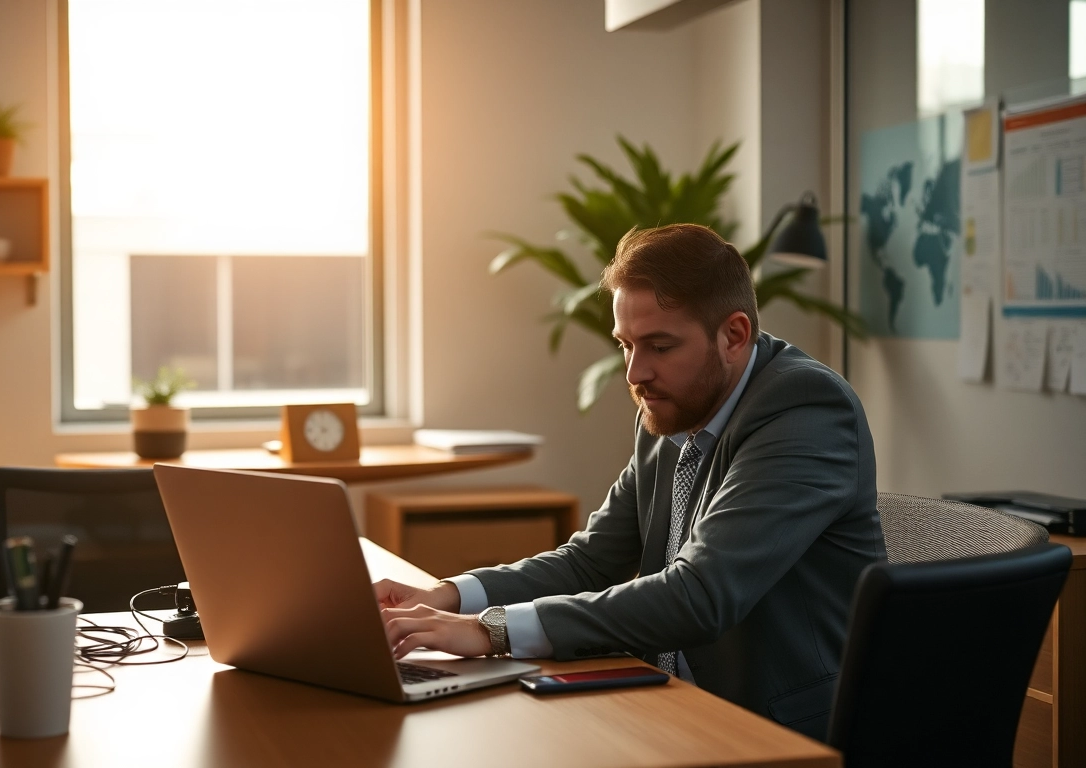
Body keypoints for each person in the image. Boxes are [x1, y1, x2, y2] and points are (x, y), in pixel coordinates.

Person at [377, 223, 885, 739]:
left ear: (734, 335)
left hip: (779, 730)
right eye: (626, 345)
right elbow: (592, 561)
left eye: (660, 346)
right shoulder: (673, 408)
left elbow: (700, 594)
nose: (635, 374)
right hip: (661, 704)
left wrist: (493, 630)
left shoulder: (804, 409)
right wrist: (446, 597)